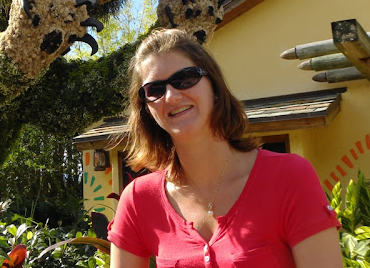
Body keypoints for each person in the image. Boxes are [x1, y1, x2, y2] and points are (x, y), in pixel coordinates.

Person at [108, 28, 343, 268]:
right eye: (154, 90)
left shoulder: (290, 177)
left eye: (185, 79)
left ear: (215, 87)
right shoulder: (139, 200)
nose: (171, 96)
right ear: (146, 109)